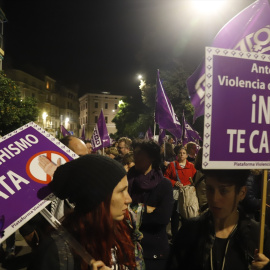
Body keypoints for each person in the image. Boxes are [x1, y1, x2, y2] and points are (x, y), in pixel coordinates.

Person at [28, 155, 136, 270]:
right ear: (96, 200)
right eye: (121, 191)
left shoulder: (120, 230)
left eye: (127, 189)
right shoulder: (54, 252)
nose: (129, 199)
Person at [170, 169, 270, 270]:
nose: (214, 199)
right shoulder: (190, 231)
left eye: (224, 190)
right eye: (210, 189)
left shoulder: (259, 235)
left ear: (242, 193)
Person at [128, 140, 174, 270]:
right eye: (134, 153)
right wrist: (143, 209)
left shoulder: (164, 184)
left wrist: (132, 213)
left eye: (139, 153)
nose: (135, 157)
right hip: (127, 248)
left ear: (152, 157)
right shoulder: (126, 180)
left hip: (154, 252)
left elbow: (162, 218)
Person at [164, 147, 196, 240]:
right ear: (177, 155)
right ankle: (175, 237)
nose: (182, 154)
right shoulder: (172, 165)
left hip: (187, 195)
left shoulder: (191, 166)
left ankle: (186, 237)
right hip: (176, 194)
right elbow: (165, 177)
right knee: (175, 216)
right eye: (180, 153)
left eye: (184, 153)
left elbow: (194, 179)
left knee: (186, 215)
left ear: (187, 155)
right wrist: (174, 183)